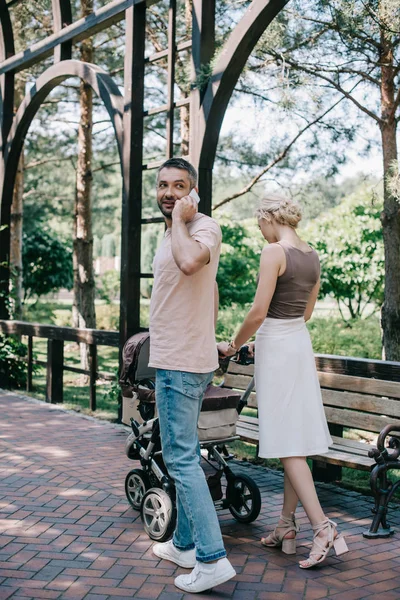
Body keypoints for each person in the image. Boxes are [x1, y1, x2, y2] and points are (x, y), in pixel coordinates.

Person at [218, 194, 349, 569]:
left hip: (276, 346)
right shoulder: (312, 254)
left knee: (285, 440)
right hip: (297, 343)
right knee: (297, 438)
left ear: (267, 218)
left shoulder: (274, 252)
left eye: (259, 225)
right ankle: (285, 527)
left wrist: (232, 345)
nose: (260, 233)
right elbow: (305, 312)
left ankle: (322, 527)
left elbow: (259, 312)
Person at [148, 158, 236, 592]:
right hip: (183, 356)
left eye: (178, 186)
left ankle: (212, 559)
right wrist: (212, 336)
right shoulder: (172, 231)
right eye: (163, 185)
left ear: (194, 191)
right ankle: (183, 544)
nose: (168, 193)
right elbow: (209, 288)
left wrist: (183, 219)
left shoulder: (201, 227)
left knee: (181, 459)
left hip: (180, 363)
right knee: (184, 452)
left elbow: (189, 265)